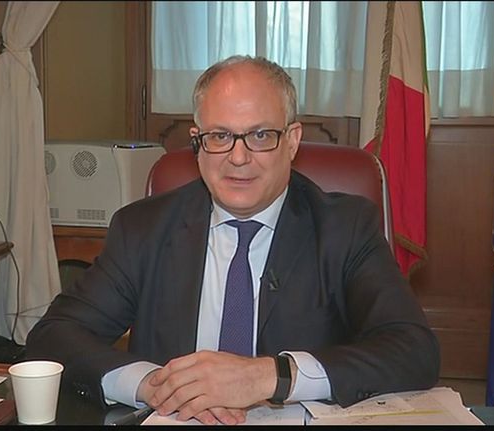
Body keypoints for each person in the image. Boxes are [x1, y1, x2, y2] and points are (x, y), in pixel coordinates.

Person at [25, 55, 439, 425]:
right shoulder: (143, 229)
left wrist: (270, 375)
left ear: (292, 141)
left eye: (260, 136)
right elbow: (53, 335)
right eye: (220, 136)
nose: (238, 158)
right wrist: (150, 384)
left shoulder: (344, 228)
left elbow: (414, 350)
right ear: (197, 143)